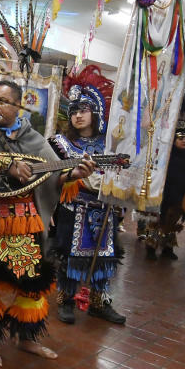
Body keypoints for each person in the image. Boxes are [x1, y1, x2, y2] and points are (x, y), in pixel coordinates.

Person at [0, 80, 94, 367]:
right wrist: (5, 165)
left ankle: (26, 337)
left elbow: (54, 176)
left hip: (23, 219)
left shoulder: (35, 140)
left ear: (18, 106)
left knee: (31, 280)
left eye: (2, 101)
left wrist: (74, 174)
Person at [48, 66, 126, 325]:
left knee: (105, 257)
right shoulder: (59, 143)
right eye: (73, 112)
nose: (78, 116)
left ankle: (99, 302)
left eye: (83, 110)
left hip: (104, 210)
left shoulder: (111, 145)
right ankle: (65, 300)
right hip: (72, 210)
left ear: (96, 112)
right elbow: (49, 180)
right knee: (69, 256)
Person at [144, 121, 185, 261]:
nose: (184, 141)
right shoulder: (166, 156)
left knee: (172, 223)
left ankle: (168, 248)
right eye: (181, 138)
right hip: (164, 194)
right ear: (173, 141)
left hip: (181, 194)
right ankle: (151, 248)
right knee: (158, 222)